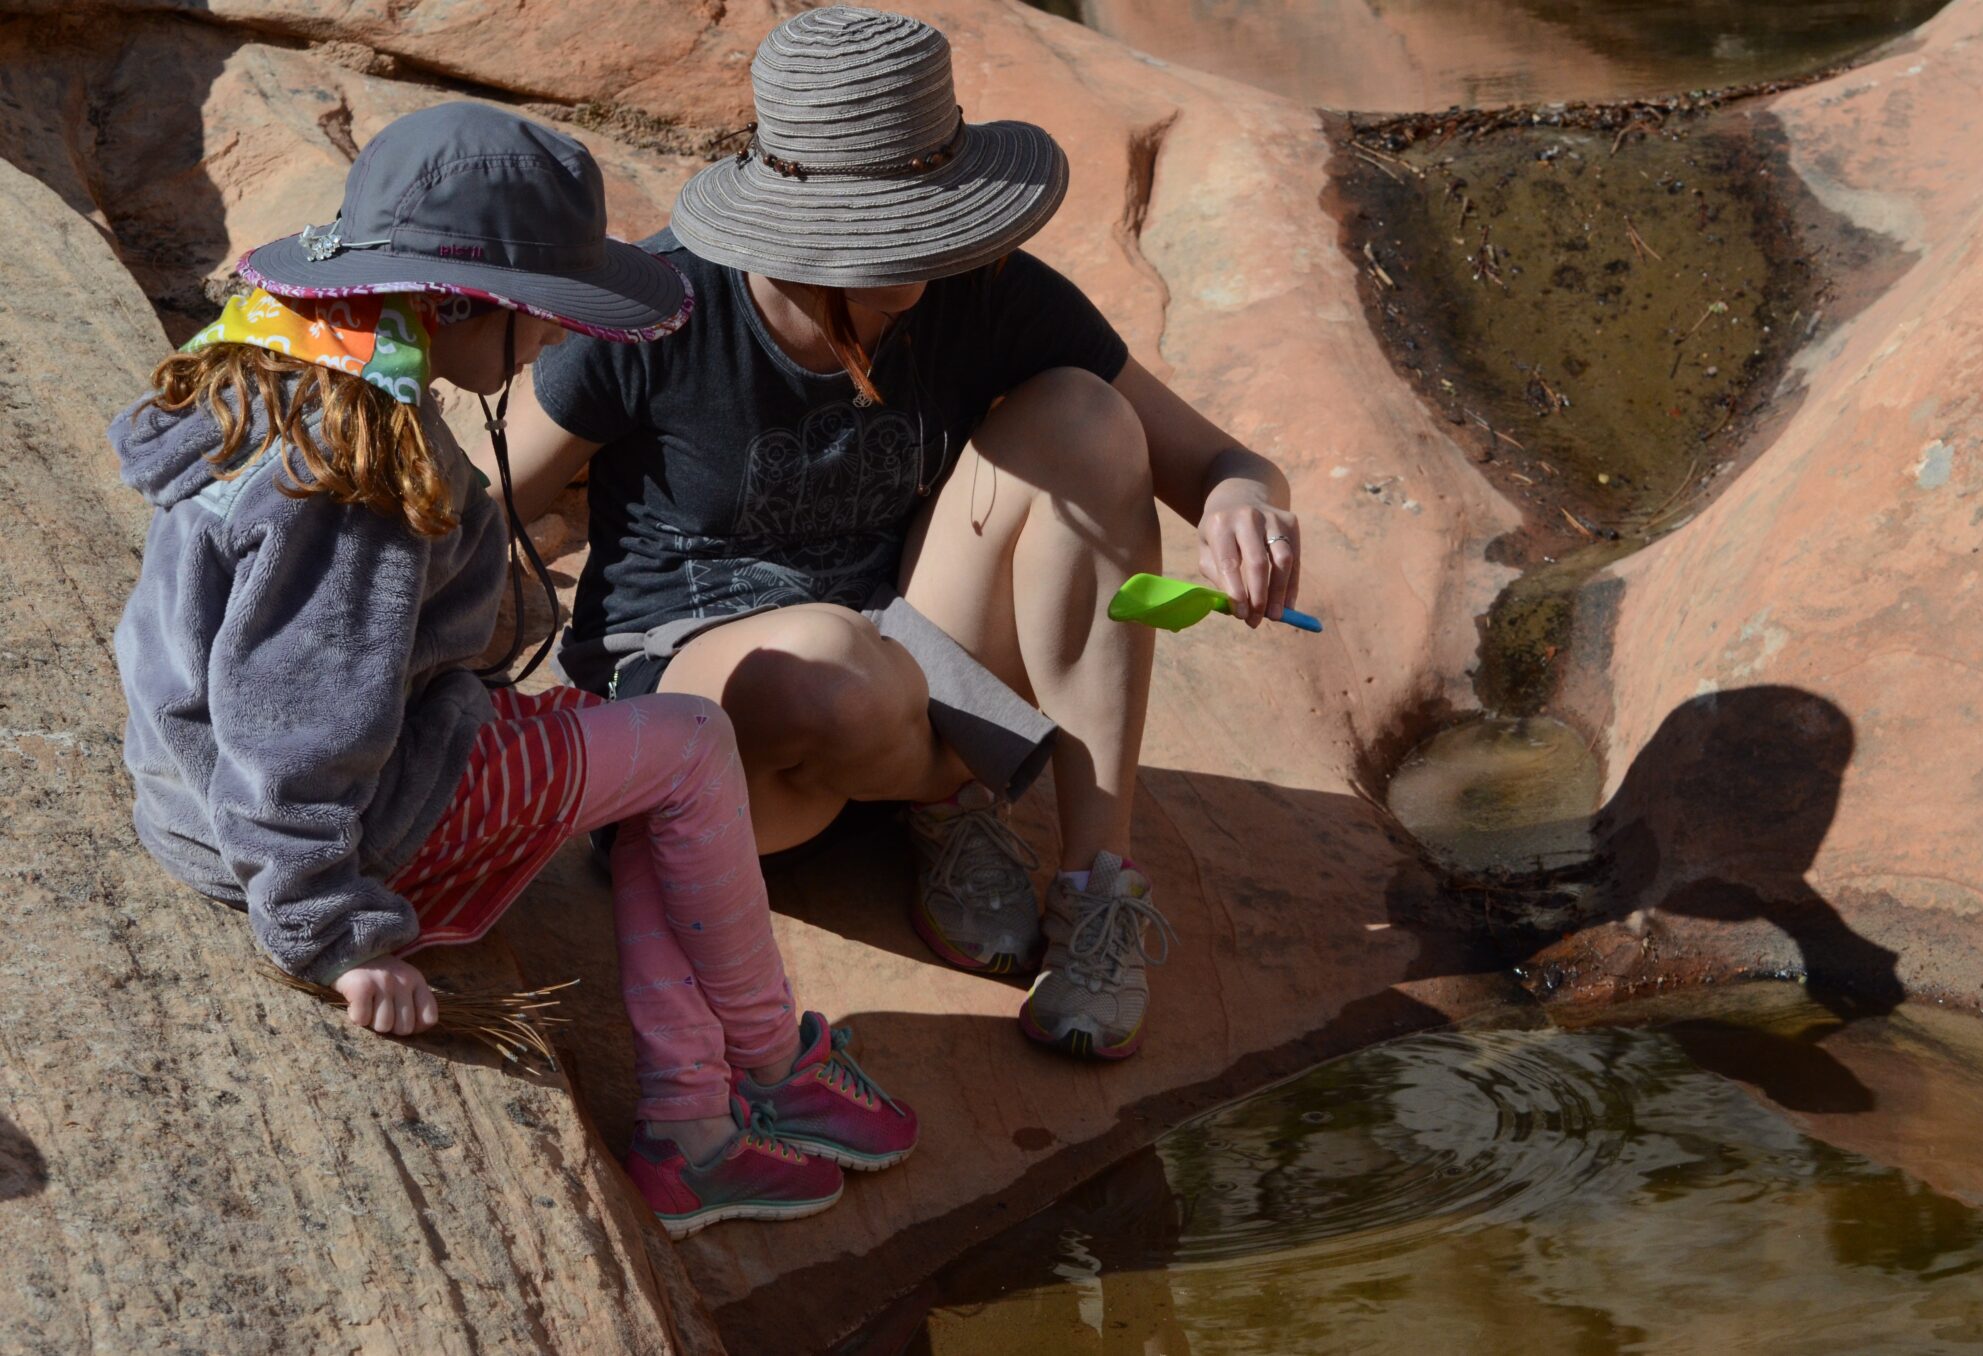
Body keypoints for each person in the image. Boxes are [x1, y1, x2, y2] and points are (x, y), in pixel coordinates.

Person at [111, 102, 914, 1237]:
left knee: (645, 752)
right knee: (691, 745)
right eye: (537, 316)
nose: (547, 345)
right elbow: (295, 714)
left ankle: (701, 1110)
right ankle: (749, 1081)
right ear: (453, 304)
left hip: (195, 796)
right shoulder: (355, 480)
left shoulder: (281, 363)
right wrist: (332, 929)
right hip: (319, 834)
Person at [502, 6, 1303, 1061]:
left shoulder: (984, 290)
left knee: (1087, 417)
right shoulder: (659, 309)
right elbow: (469, 509)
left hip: (912, 680)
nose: (921, 257)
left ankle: (1089, 885)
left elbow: (1219, 463)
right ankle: (952, 784)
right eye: (885, 229)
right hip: (721, 739)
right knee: (829, 663)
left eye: (935, 216)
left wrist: (1246, 503)